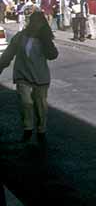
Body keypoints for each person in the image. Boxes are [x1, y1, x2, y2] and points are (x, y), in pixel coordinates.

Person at [0, 10, 58, 145]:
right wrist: (1, 66)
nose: (36, 25)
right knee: (26, 102)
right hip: (23, 75)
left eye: (39, 23)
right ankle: (28, 127)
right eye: (34, 22)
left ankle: (41, 129)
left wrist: (46, 41)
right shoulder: (20, 37)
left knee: (41, 105)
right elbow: (8, 54)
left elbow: (53, 55)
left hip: (40, 76)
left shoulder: (44, 39)